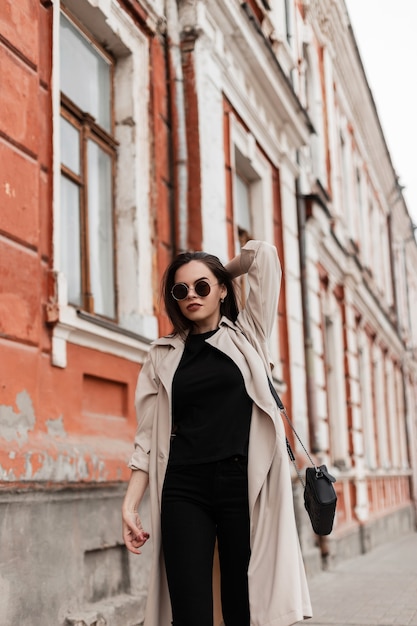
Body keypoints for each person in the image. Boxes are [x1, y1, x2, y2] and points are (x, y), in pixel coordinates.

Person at [122, 239, 312, 626]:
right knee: (189, 608)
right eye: (181, 290)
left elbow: (264, 256)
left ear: (223, 289)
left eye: (203, 286)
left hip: (241, 484)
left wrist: (215, 268)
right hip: (182, 486)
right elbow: (145, 439)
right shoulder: (162, 354)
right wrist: (130, 504)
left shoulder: (248, 334)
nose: (191, 295)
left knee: (242, 605)